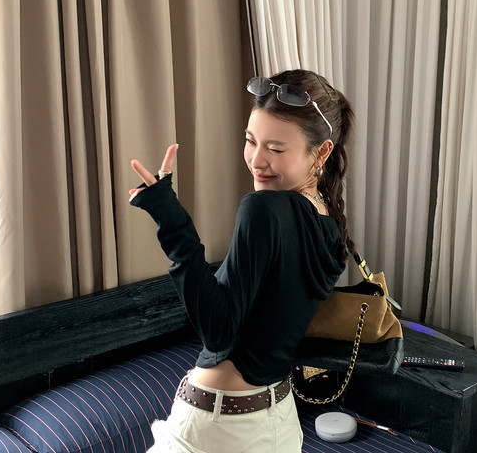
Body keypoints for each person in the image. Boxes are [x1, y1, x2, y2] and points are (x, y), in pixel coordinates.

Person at [129, 69, 356, 453]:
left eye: (276, 149)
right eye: (251, 141)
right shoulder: (331, 225)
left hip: (217, 430)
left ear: (322, 152)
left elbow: (218, 331)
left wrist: (171, 219)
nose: (256, 160)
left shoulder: (263, 209)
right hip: (280, 423)